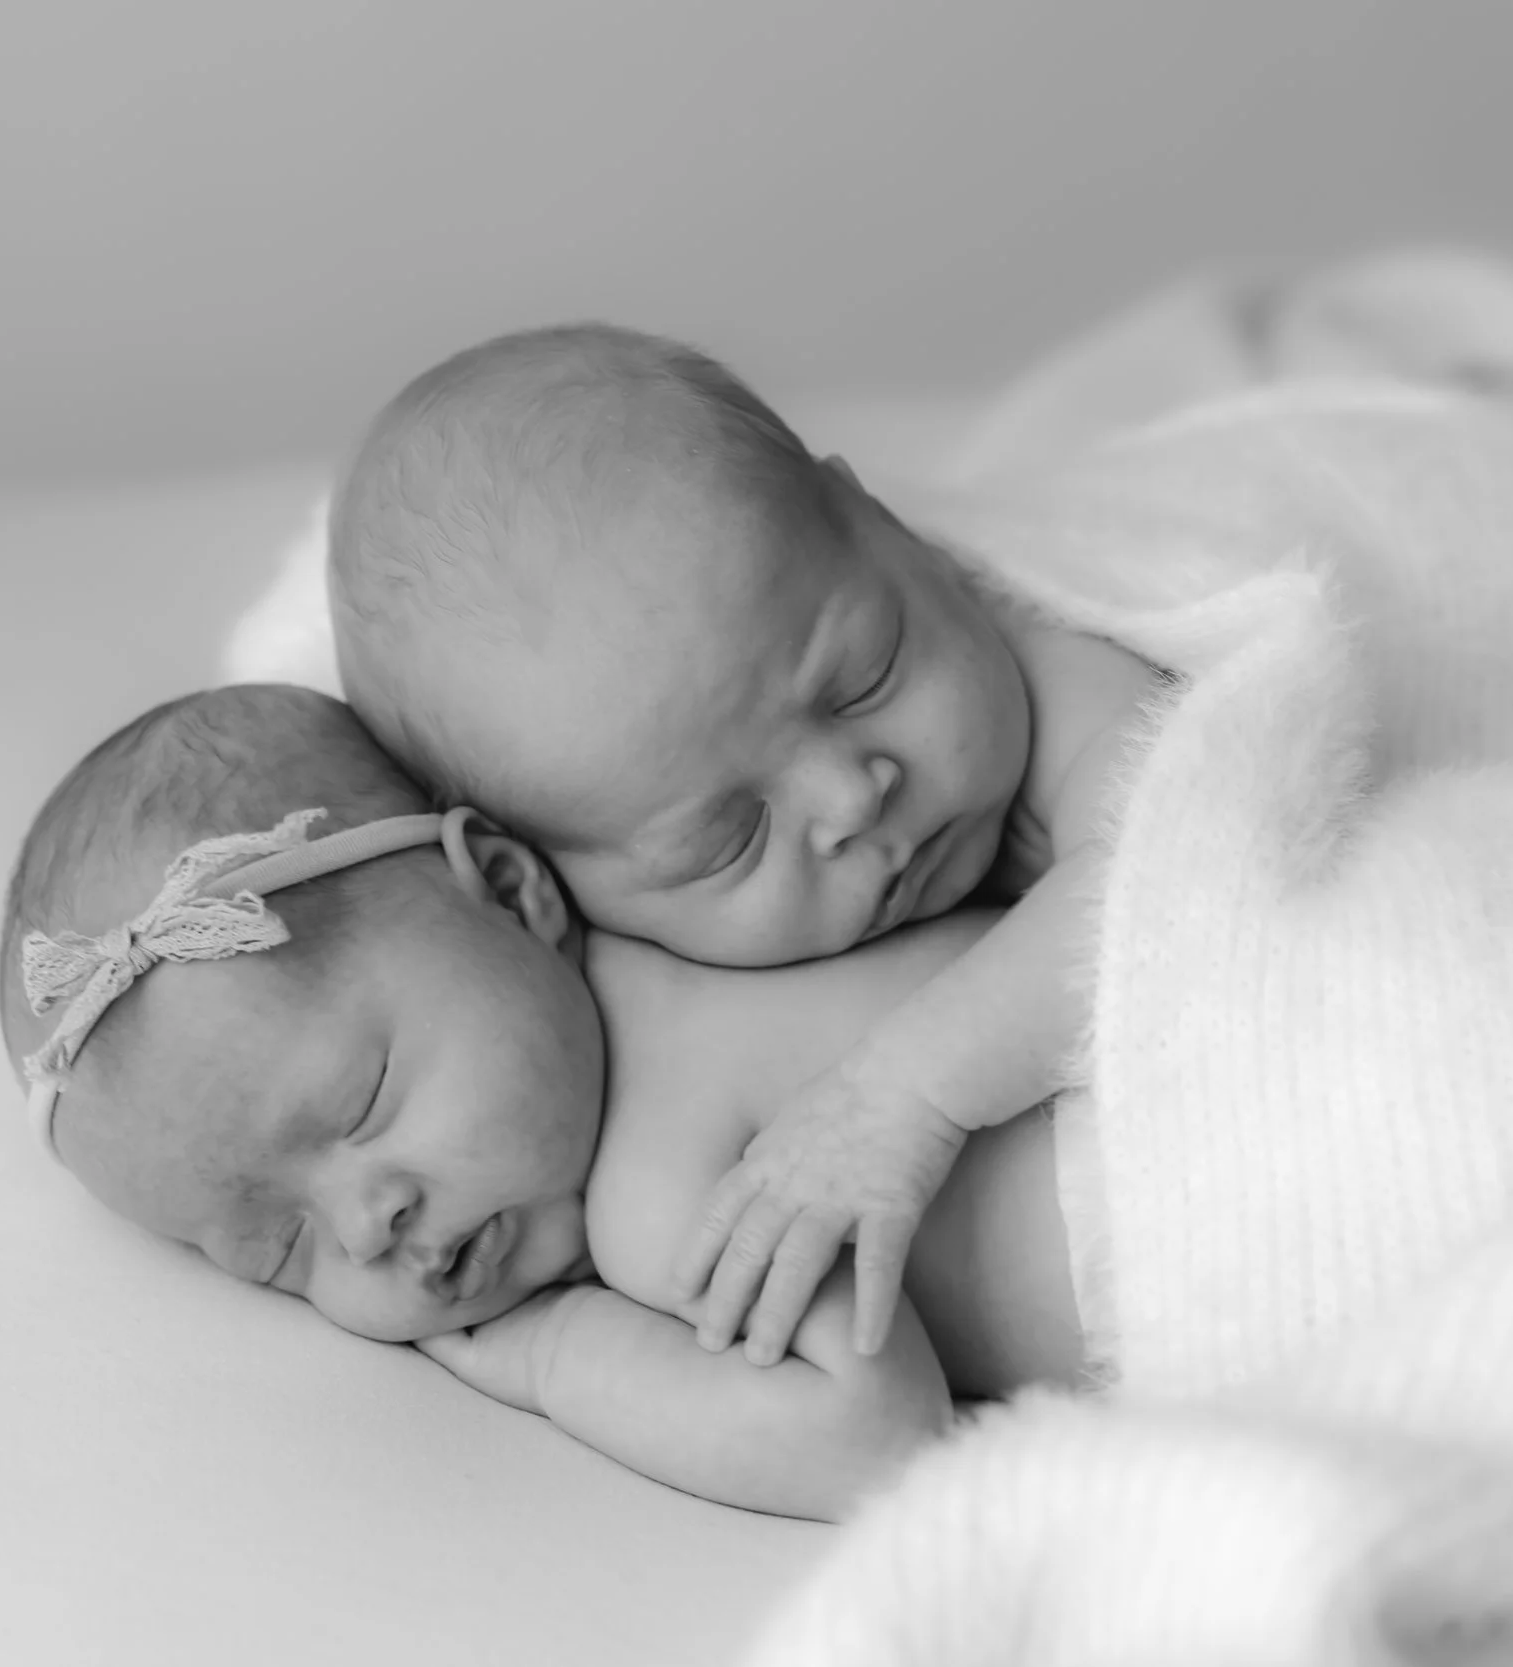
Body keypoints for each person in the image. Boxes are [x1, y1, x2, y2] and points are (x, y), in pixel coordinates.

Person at [0, 684, 1087, 1522]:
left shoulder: (657, 1184)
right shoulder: (709, 920)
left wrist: (558, 1354)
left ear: (515, 892)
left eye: (363, 1101)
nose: (364, 1223)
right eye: (278, 1246)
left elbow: (875, 1432)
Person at [329, 323, 1164, 1368]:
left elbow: (1170, 885)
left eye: (864, 676)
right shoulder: (651, 1038)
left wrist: (906, 1094)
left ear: (882, 524)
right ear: (546, 887)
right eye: (730, 836)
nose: (850, 798)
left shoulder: (1063, 685)